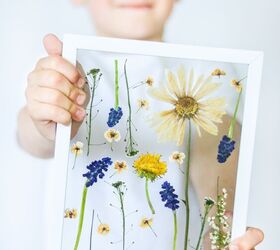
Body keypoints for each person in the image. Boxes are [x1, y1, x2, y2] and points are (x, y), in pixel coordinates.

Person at [17, 0, 264, 249]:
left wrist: (221, 235)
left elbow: (216, 164)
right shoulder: (60, 68)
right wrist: (48, 121)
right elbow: (30, 137)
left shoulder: (212, 73)